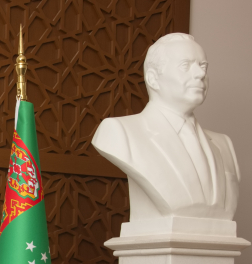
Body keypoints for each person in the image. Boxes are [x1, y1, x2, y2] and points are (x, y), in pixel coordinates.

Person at [92, 33, 240, 222]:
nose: (201, 74)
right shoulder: (119, 132)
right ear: (153, 79)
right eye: (185, 66)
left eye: (203, 66)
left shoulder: (223, 144)